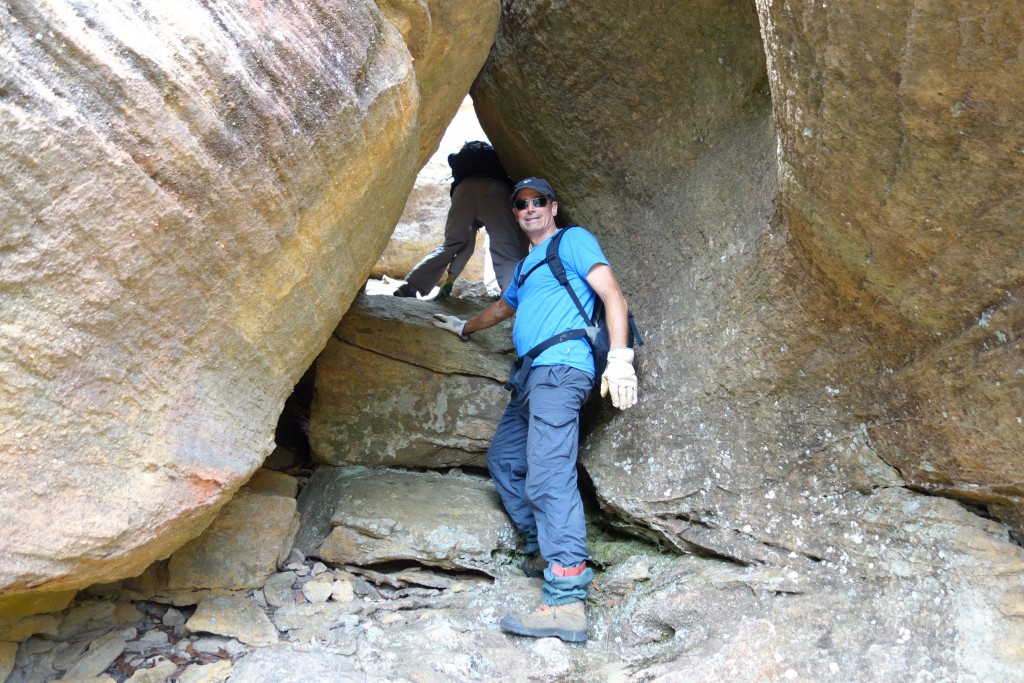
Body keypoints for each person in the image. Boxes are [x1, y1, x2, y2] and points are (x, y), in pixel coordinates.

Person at [432, 177, 638, 643]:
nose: (529, 209)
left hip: (562, 370)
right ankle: (542, 549)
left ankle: (566, 601)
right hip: (530, 378)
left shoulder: (573, 240)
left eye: (537, 202)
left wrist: (621, 359)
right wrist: (463, 326)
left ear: (552, 206)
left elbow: (612, 294)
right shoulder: (526, 267)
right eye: (521, 204)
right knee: (505, 458)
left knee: (548, 474)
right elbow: (502, 310)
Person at [394, 143, 529, 299]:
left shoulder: (465, 177)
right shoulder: (493, 171)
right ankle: (512, 299)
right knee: (505, 247)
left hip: (463, 190)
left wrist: (450, 281)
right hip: (495, 189)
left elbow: (466, 246)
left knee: (451, 244)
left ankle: (409, 288)